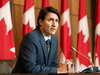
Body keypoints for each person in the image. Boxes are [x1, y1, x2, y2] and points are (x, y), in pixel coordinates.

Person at [11, 6, 67, 73]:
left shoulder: (54, 39)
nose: (54, 25)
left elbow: (53, 65)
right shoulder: (31, 38)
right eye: (50, 20)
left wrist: (60, 69)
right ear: (40, 21)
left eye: (57, 21)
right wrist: (58, 70)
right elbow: (31, 69)